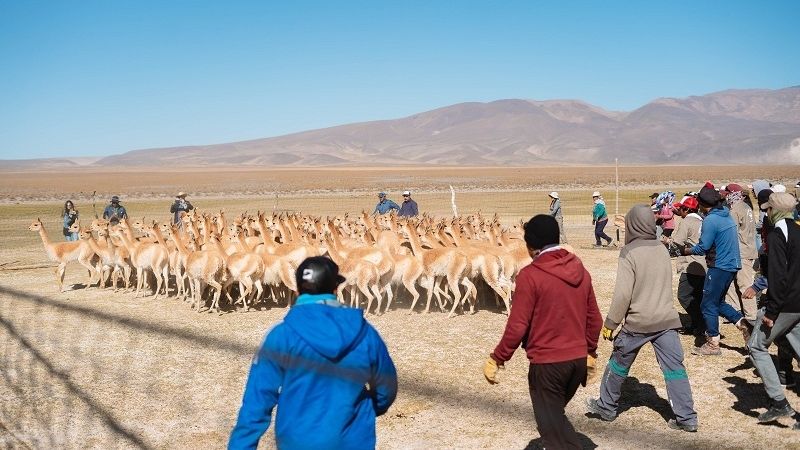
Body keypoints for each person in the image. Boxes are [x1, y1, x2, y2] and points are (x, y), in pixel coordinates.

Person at [229, 256, 398, 449]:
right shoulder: (365, 334)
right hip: (353, 440)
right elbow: (387, 387)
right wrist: (366, 410)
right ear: (335, 289)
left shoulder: (281, 336)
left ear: (298, 290)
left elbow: (256, 403)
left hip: (299, 440)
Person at [483, 215, 601, 449]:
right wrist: (589, 352)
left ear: (531, 245)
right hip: (577, 363)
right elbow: (594, 319)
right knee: (553, 418)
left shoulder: (530, 276)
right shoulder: (581, 271)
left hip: (548, 365)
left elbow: (517, 325)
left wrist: (497, 358)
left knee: (552, 428)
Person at [586, 205, 698, 432]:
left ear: (632, 225)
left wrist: (610, 324)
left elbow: (623, 294)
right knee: (675, 368)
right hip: (667, 320)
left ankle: (606, 407)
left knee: (617, 363)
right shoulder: (661, 249)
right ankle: (687, 418)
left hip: (639, 322)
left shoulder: (629, 252)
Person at [747, 192, 800, 429]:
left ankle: (779, 402)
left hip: (786, 304)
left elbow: (778, 276)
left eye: (768, 210)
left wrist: (771, 311)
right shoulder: (798, 229)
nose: (766, 214)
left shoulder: (778, 235)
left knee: (756, 346)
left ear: (773, 211)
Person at [681, 183, 749, 356]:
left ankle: (713, 343)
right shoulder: (726, 216)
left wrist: (686, 250)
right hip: (732, 264)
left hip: (719, 266)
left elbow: (703, 247)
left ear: (702, 204)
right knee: (718, 302)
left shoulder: (711, 220)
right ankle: (744, 325)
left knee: (707, 304)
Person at [668, 196, 706, 336]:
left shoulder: (687, 221)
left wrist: (667, 241)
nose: (680, 211)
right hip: (704, 265)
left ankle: (701, 323)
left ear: (687, 209)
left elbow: (678, 242)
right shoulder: (702, 220)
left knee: (683, 296)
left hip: (691, 264)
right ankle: (697, 324)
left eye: (681, 209)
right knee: (697, 296)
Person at [720, 184, 758, 326]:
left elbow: (732, 232)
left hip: (741, 252)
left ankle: (751, 317)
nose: (725, 196)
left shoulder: (734, 210)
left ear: (732, 193)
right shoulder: (746, 207)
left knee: (745, 285)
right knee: (734, 283)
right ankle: (735, 312)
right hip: (748, 249)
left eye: (727, 193)